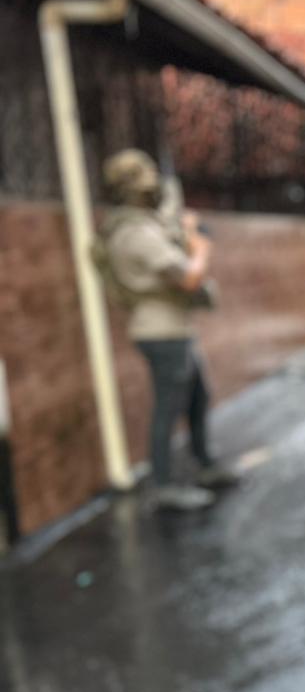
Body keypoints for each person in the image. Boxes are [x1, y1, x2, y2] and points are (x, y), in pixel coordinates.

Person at [98, 149, 237, 512]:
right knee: (168, 408)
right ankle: (163, 486)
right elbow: (189, 278)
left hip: (175, 327)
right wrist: (200, 247)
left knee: (198, 397)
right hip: (160, 332)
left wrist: (183, 230)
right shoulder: (134, 233)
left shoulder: (145, 225)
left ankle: (205, 464)